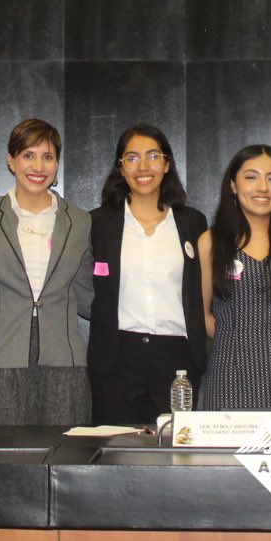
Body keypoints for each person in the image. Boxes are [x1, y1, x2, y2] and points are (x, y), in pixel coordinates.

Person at [0, 118, 94, 425]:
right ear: (10, 161)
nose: (38, 166)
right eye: (28, 155)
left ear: (57, 164)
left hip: (64, 358)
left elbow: (88, 292)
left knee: (64, 448)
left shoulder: (81, 222)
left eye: (47, 156)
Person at [88, 124, 207, 425]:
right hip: (117, 357)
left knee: (174, 447)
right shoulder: (99, 223)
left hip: (177, 358)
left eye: (153, 156)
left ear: (166, 164)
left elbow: (202, 291)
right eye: (132, 158)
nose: (143, 167)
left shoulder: (192, 223)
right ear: (121, 168)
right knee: (115, 446)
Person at [198, 145, 271, 415]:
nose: (262, 187)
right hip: (230, 371)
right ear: (233, 185)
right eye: (251, 177)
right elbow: (202, 314)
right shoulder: (210, 242)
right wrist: (240, 339)